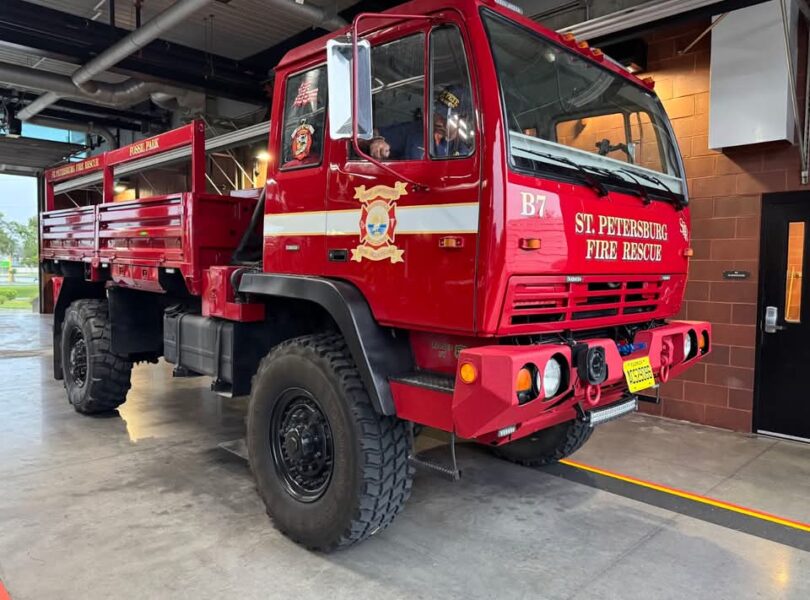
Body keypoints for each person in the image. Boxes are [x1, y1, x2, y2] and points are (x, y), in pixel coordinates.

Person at [367, 87, 471, 160]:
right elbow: (372, 134)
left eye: (446, 117)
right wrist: (377, 140)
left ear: (463, 119)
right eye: (438, 113)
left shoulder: (469, 152)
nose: (438, 122)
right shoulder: (414, 131)